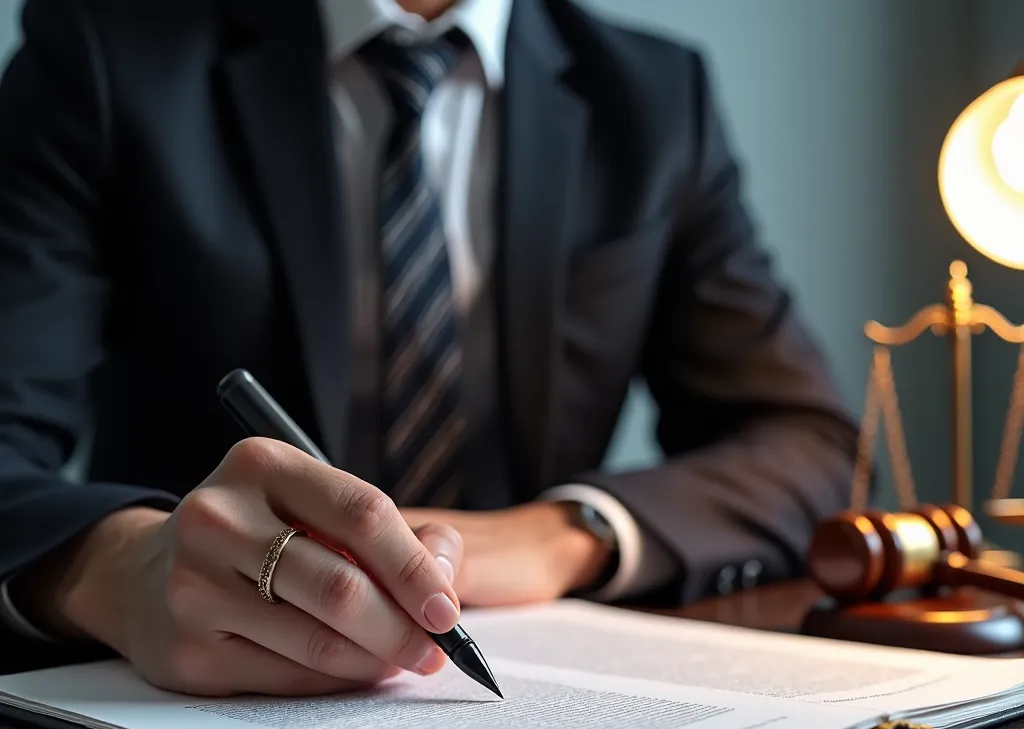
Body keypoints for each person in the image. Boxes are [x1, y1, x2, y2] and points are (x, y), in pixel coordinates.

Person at [0, 0, 857, 690]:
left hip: (519, 669)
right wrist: (119, 569)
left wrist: (564, 534)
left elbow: (806, 441)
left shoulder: (654, 96)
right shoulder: (105, 52)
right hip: (198, 710)